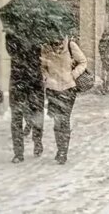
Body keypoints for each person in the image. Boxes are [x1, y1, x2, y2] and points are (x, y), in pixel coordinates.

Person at [40, 35, 87, 164]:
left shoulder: (71, 45)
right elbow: (43, 66)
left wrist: (73, 74)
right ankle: (60, 147)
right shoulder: (46, 48)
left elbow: (83, 62)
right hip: (53, 89)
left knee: (64, 119)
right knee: (57, 120)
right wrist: (46, 77)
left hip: (68, 89)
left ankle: (62, 152)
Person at [6, 30, 44, 163]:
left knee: (37, 113)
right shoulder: (12, 34)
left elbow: (42, 54)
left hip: (34, 82)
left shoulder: (39, 33)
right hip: (18, 82)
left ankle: (37, 141)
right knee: (16, 117)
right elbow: (11, 51)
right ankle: (18, 152)